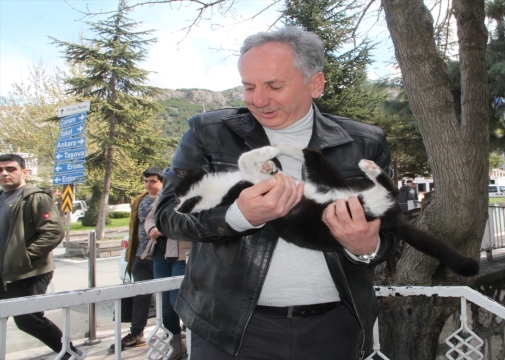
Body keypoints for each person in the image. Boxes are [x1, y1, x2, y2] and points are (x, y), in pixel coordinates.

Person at [155, 27, 396, 359]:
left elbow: (391, 235)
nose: (258, 100)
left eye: (274, 86)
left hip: (334, 328)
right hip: (228, 330)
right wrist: (237, 217)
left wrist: (365, 248)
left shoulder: (365, 142)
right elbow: (167, 215)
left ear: (316, 84)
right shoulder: (207, 133)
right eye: (249, 86)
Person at [0, 154, 84, 359]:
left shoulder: (35, 197)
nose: (4, 173)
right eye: (1, 170)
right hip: (5, 272)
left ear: (24, 172)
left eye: (10, 169)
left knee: (28, 319)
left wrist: (25, 257)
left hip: (29, 271)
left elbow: (53, 232)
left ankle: (70, 353)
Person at [109, 167, 163, 353]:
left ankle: (176, 330)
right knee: (140, 294)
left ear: (162, 182)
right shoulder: (140, 200)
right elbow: (135, 226)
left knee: (169, 295)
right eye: (146, 181)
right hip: (141, 255)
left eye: (153, 181)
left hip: (162, 255)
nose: (148, 185)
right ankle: (136, 333)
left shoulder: (168, 198)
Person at [143, 196, 190, 360]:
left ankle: (197, 341)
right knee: (163, 305)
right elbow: (150, 218)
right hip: (160, 254)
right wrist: (151, 229)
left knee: (176, 300)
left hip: (182, 254)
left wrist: (165, 227)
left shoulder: (193, 190)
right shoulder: (166, 192)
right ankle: (176, 346)